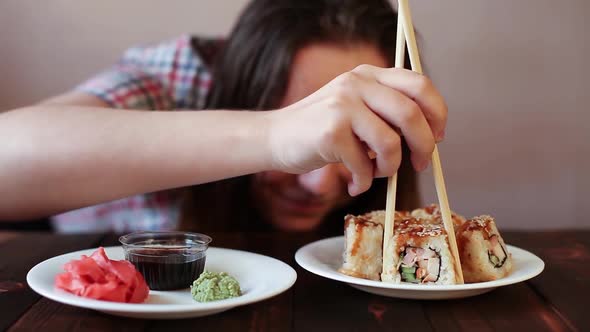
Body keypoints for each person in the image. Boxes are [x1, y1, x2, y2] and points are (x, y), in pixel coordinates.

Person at [0, 0, 447, 235]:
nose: (319, 184)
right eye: (312, 135)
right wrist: (273, 137)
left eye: (359, 141)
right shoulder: (178, 77)